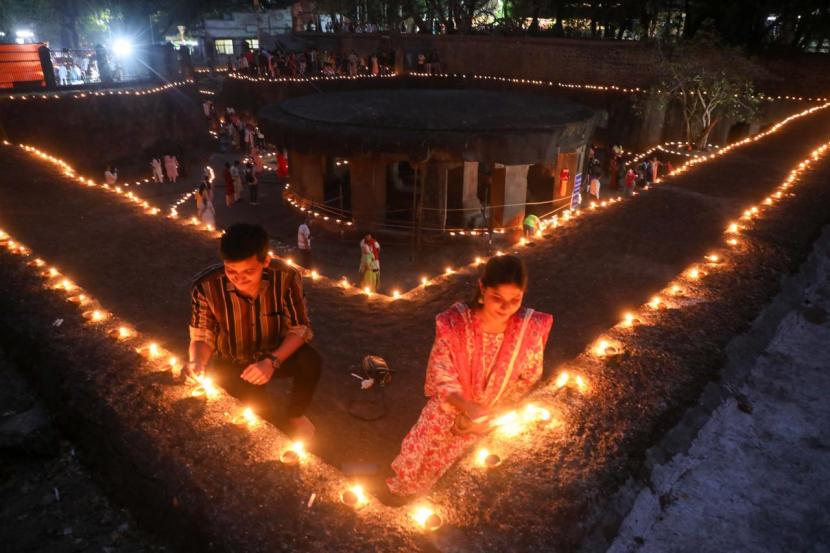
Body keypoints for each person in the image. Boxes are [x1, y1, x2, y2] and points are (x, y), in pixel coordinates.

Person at [387, 255, 553, 496]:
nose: (505, 308)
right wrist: (465, 409)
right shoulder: (455, 324)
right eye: (497, 298)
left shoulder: (529, 330)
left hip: (490, 416)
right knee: (417, 463)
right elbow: (442, 371)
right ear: (482, 289)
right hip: (449, 407)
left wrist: (486, 419)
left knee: (459, 482)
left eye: (515, 300)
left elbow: (528, 378)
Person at [187, 224, 320, 440]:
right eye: (231, 271)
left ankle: (296, 414)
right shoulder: (206, 287)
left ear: (265, 261)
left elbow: (300, 328)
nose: (239, 279)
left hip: (274, 354)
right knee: (256, 420)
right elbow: (203, 334)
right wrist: (197, 361)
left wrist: (271, 361)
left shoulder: (285, 278)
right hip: (233, 361)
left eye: (249, 271)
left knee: (311, 361)